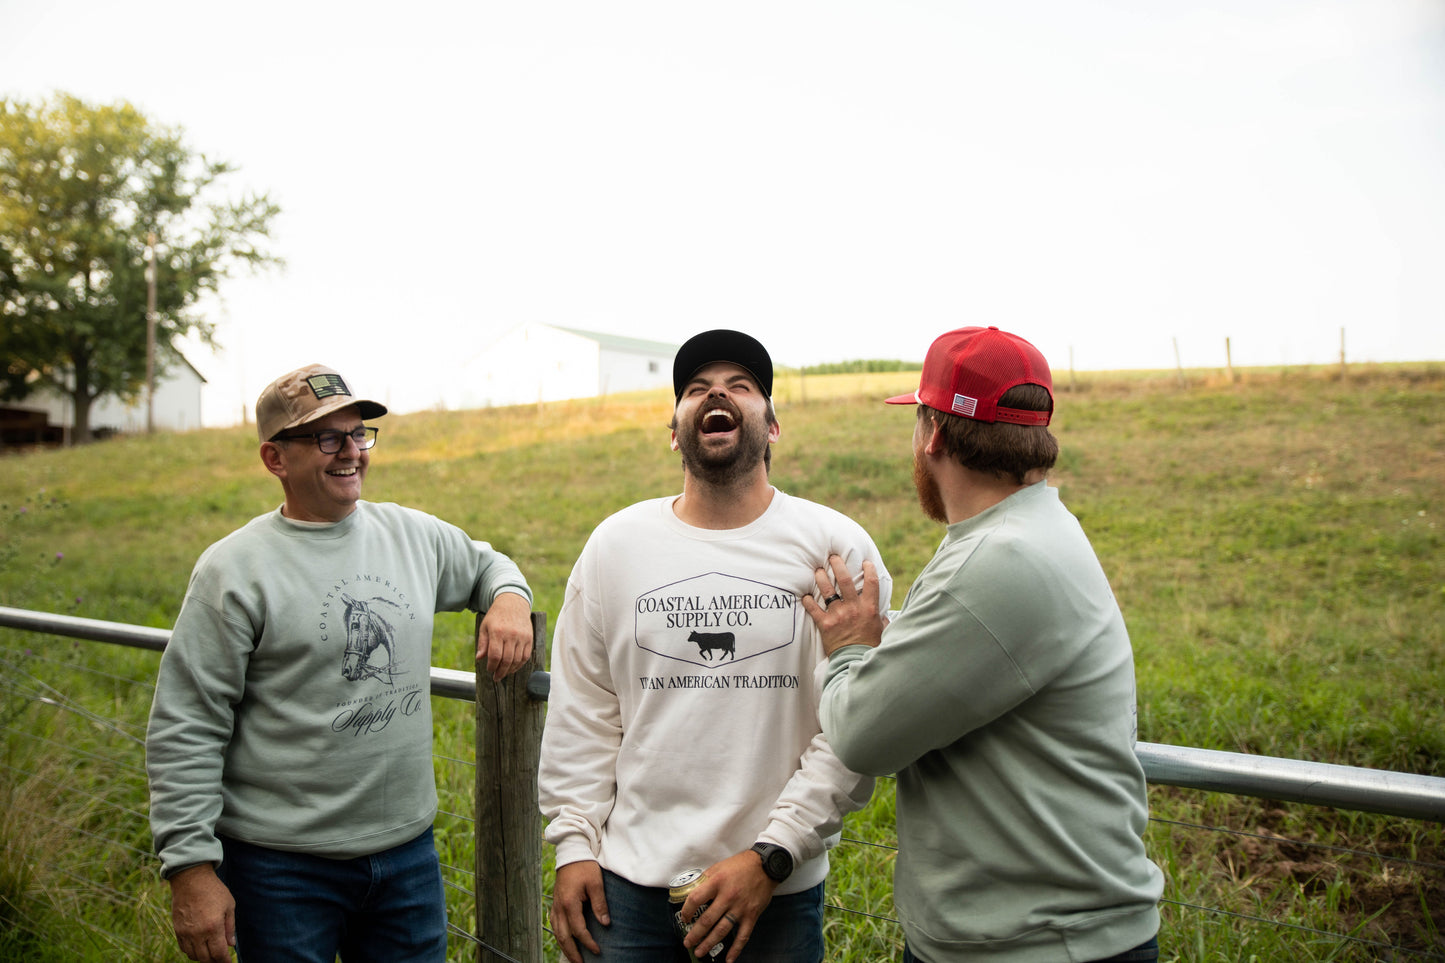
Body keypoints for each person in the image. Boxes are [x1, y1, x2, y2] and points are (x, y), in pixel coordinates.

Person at [145, 363, 535, 963]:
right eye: (327, 437)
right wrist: (191, 870)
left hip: (407, 857)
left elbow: (490, 565)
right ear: (275, 459)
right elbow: (186, 723)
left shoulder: (411, 535)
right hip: (279, 870)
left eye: (358, 434)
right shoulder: (235, 571)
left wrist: (509, 601)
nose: (351, 451)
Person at [802, 326, 1164, 963]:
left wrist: (852, 647)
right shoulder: (1020, 530)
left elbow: (862, 734)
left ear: (933, 434)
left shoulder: (1002, 562)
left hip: (1043, 944)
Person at [539, 329, 892, 963]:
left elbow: (853, 724)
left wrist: (774, 854)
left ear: (772, 425)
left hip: (772, 897)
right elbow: (584, 711)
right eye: (696, 389)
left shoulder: (835, 548)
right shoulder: (615, 548)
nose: (716, 396)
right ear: (674, 432)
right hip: (624, 894)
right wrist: (573, 846)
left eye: (741, 386)